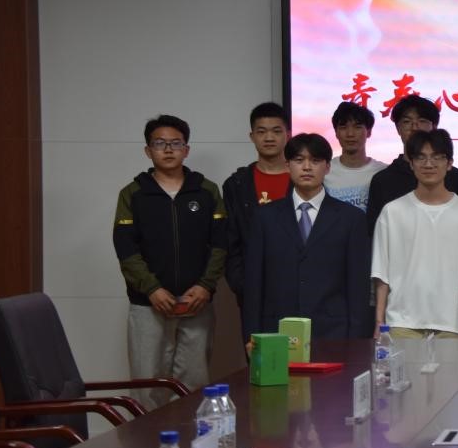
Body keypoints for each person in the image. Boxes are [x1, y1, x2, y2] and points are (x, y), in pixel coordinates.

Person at [113, 115, 226, 407]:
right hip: (148, 304)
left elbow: (220, 244)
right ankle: (146, 439)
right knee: (147, 386)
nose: (167, 149)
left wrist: (205, 286)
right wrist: (152, 288)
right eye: (159, 143)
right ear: (147, 150)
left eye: (175, 143)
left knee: (195, 385)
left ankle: (192, 437)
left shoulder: (207, 191)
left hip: (196, 303)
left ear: (186, 150)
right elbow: (126, 248)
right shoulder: (133, 194)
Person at [241, 133, 371, 342]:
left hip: (334, 331)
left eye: (316, 161)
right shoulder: (265, 217)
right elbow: (254, 283)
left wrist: (356, 340)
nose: (307, 167)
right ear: (288, 165)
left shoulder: (351, 218)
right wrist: (252, 337)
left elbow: (358, 286)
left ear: (327, 167)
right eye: (299, 160)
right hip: (276, 330)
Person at [372, 129, 458, 339]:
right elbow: (382, 272)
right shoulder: (393, 211)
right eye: (421, 157)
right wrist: (380, 321)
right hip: (401, 322)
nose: (428, 164)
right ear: (411, 163)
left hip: (452, 323)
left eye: (437, 157)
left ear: (449, 163)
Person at [223, 102, 290, 305]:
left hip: (297, 285)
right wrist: (241, 283)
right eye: (261, 132)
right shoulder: (237, 184)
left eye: (276, 131)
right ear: (252, 136)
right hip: (251, 286)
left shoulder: (303, 180)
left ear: (288, 134)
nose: (269, 138)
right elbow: (230, 239)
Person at [367, 95, 458, 235]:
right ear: (398, 128)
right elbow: (374, 233)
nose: (414, 127)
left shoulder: (454, 176)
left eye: (422, 121)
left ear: (434, 127)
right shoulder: (382, 180)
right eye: (407, 121)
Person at [324, 101, 386, 212]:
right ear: (336, 133)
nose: (350, 134)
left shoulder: (383, 172)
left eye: (357, 127)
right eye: (343, 127)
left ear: (369, 132)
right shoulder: (324, 172)